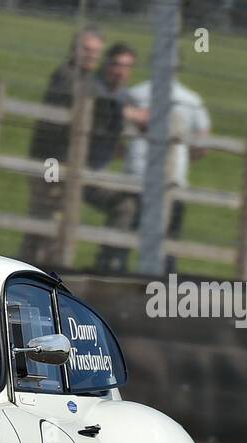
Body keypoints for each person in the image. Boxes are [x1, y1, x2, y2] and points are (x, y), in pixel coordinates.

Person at [18, 27, 104, 265]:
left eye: (96, 52)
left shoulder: (89, 81)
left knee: (55, 221)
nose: (91, 56)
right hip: (51, 160)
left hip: (67, 162)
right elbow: (83, 104)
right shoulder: (66, 76)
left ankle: (41, 269)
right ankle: (31, 269)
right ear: (74, 49)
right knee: (45, 216)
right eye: (86, 49)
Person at [122, 77, 210, 274]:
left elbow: (116, 128)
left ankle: (112, 275)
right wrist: (185, 158)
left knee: (123, 237)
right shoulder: (192, 100)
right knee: (169, 244)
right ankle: (164, 291)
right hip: (174, 179)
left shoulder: (136, 93)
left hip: (135, 175)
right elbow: (203, 144)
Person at [83, 42, 147, 272]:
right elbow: (99, 110)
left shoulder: (123, 94)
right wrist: (131, 115)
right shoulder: (92, 85)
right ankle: (107, 264)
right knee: (126, 206)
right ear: (106, 64)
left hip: (97, 171)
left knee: (131, 203)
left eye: (126, 67)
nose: (120, 71)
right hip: (74, 169)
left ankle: (111, 260)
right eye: (116, 65)